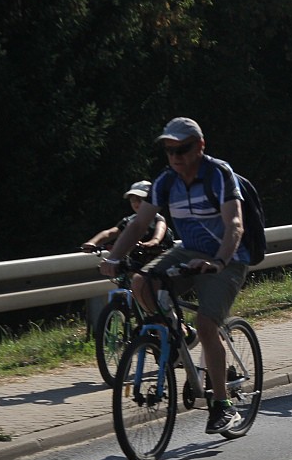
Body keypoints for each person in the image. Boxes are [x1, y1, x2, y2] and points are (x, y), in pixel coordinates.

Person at [99, 117, 250, 435]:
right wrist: (114, 257)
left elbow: (235, 224)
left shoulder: (218, 175)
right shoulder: (166, 180)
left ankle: (222, 405)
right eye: (169, 150)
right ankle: (181, 333)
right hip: (189, 251)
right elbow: (138, 224)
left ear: (200, 146)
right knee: (142, 283)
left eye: (182, 148)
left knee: (208, 325)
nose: (176, 156)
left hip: (227, 256)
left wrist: (220, 262)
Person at [81, 180, 174, 258]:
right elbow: (110, 233)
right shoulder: (130, 220)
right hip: (137, 258)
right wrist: (93, 242)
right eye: (133, 200)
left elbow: (160, 229)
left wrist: (154, 241)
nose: (136, 203)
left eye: (140, 199)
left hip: (160, 256)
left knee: (142, 279)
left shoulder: (156, 218)